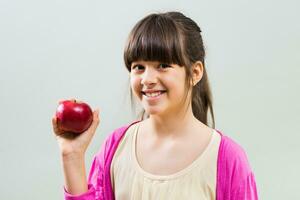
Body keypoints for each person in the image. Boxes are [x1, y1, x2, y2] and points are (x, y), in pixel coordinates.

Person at [52, 11, 258, 200]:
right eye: (139, 67)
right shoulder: (115, 147)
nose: (147, 79)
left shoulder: (227, 158)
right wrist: (72, 155)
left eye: (163, 65)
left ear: (195, 73)